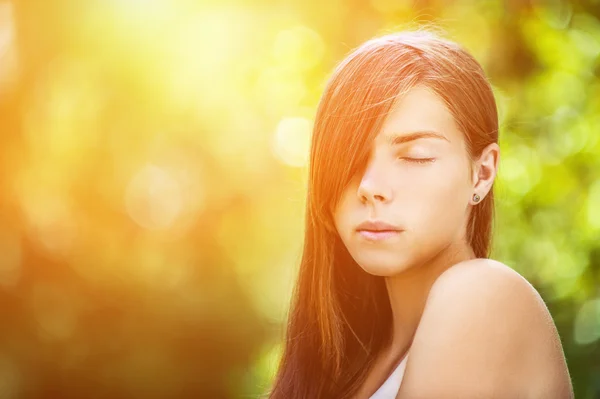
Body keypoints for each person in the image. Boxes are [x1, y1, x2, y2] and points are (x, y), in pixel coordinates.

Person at [267, 29, 574, 399]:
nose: (369, 185)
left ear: (483, 172)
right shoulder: (348, 363)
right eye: (349, 158)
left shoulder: (482, 292)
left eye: (415, 156)